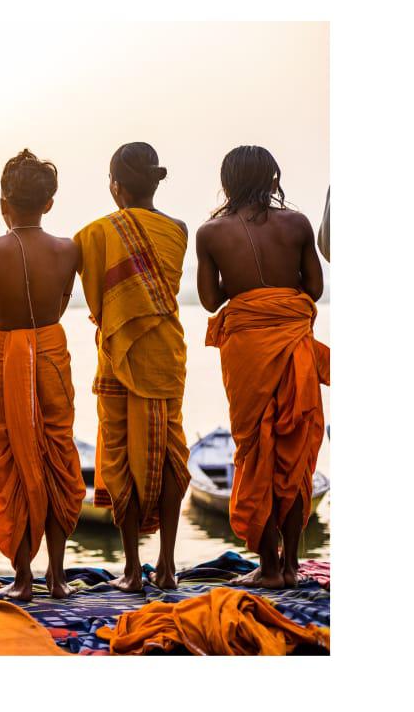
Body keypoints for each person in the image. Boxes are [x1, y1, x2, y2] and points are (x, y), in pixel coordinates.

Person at [196, 145, 328, 588]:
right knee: (294, 453)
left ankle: (268, 567)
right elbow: (313, 288)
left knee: (256, 452)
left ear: (227, 183)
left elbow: (210, 300)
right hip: (294, 347)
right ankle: (290, 566)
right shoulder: (297, 224)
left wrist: (247, 292)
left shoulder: (210, 233)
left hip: (246, 354)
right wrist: (279, 294)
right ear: (273, 180)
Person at [0, 150, 85, 600]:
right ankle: (57, 576)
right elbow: (59, 306)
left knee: (12, 461)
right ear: (49, 203)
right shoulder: (68, 249)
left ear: (4, 203)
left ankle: (21, 577)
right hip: (51, 352)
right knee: (56, 455)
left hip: (5, 357)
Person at [74, 142, 190, 592]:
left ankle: (132, 570)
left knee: (118, 455)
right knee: (171, 454)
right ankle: (167, 565)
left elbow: (93, 294)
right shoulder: (178, 229)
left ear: (115, 186)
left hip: (117, 357)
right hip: (165, 356)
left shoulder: (96, 233)